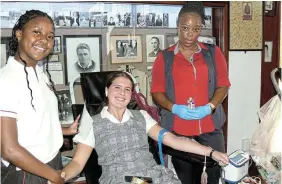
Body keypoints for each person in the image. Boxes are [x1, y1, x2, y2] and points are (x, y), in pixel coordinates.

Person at [57, 71, 228, 184]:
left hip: (149, 177)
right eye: (117, 87)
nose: (122, 93)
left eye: (127, 89)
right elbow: (78, 163)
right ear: (107, 91)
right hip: (121, 179)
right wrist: (60, 176)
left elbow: (174, 140)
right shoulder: (94, 123)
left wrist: (211, 152)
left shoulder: (141, 117)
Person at [151, 2, 231, 184]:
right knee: (187, 180)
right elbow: (157, 92)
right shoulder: (164, 57)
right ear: (178, 25)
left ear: (200, 29)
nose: (190, 34)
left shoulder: (213, 53)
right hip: (179, 131)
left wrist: (210, 107)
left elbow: (223, 86)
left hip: (210, 128)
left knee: (213, 178)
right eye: (185, 28)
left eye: (195, 29)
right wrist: (174, 107)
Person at [0, 10, 79, 184]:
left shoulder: (40, 73)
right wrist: (53, 177)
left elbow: (34, 122)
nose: (44, 40)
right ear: (19, 34)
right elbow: (9, 149)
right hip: (26, 172)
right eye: (37, 32)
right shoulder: (5, 80)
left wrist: (67, 130)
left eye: (50, 36)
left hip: (52, 161)